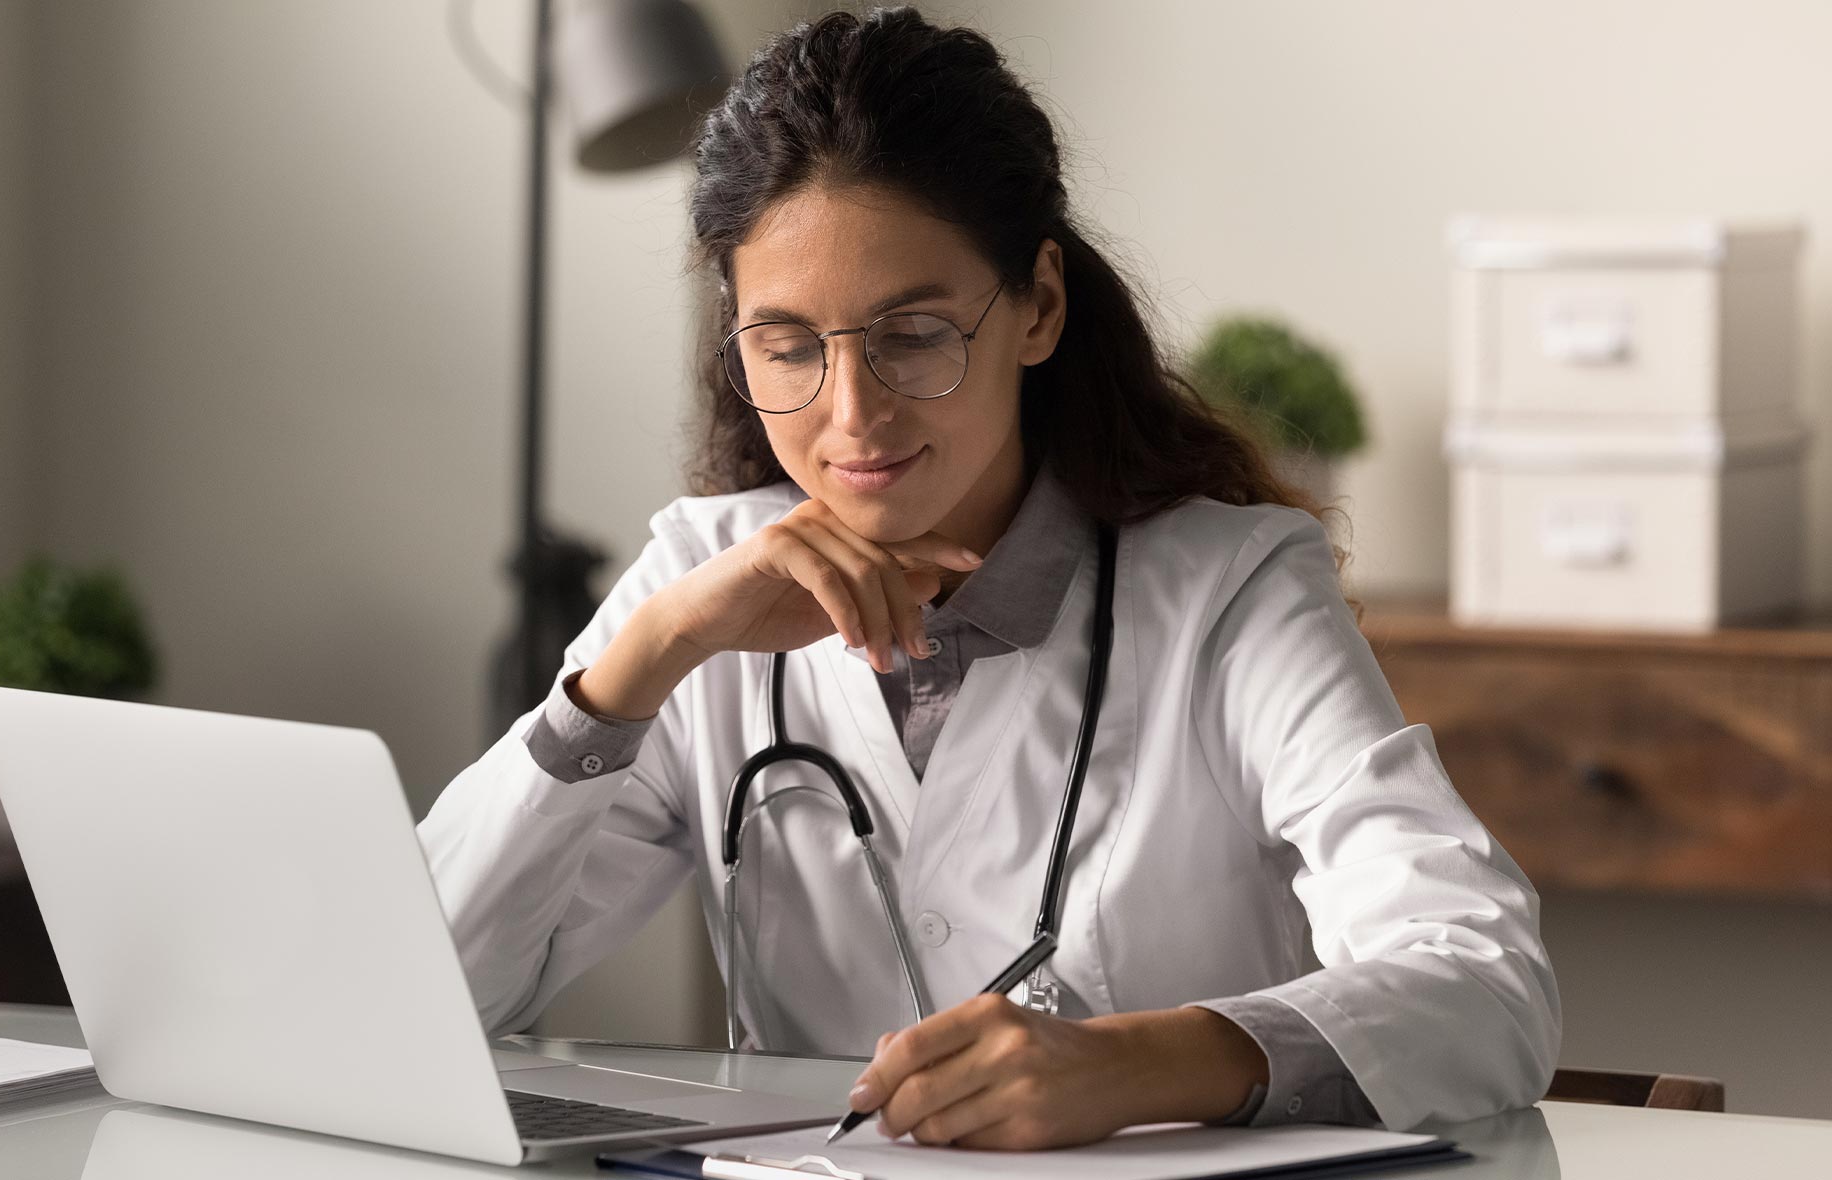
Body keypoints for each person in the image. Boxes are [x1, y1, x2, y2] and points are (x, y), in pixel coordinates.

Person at [417, 6, 1559, 1151]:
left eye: (912, 332)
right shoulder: (692, 585)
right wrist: (640, 663)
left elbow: (1485, 980)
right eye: (787, 344)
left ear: (1038, 306)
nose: (851, 413)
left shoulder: (1230, 591)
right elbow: (425, 1003)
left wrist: (1139, 1063)